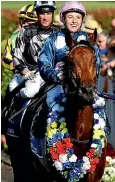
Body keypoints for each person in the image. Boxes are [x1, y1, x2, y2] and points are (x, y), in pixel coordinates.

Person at [5, 1, 60, 182]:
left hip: (52, 75)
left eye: (49, 13)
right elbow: (17, 57)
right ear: (37, 14)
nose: (45, 16)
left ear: (53, 14)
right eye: (42, 13)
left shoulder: (60, 33)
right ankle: (9, 125)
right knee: (18, 90)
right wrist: (26, 72)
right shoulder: (26, 32)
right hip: (29, 73)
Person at [1, 4, 38, 150]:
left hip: (39, 74)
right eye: (25, 21)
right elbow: (7, 59)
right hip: (21, 75)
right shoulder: (13, 38)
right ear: (21, 22)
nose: (27, 24)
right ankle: (5, 123)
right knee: (10, 89)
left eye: (31, 22)